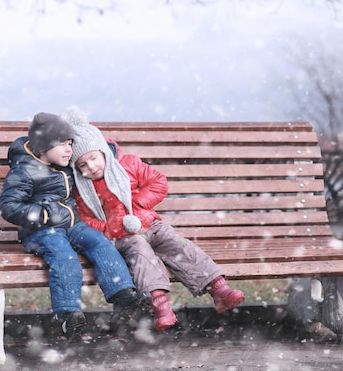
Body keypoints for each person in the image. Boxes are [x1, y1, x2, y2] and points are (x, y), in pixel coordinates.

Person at [61, 106, 245, 331]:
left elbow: (158, 182)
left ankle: (219, 289)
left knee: (178, 244)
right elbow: (84, 217)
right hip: (124, 236)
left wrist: (137, 204)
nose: (90, 167)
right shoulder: (83, 187)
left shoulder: (128, 163)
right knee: (142, 255)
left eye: (93, 158)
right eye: (82, 165)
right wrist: (108, 227)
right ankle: (161, 307)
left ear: (103, 151)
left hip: (150, 223)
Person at [0, 112, 151, 342]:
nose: (69, 150)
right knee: (64, 257)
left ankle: (122, 296)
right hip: (42, 230)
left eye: (70, 144)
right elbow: (9, 206)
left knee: (100, 243)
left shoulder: (65, 164)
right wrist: (43, 214)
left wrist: (102, 148)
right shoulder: (24, 171)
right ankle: (69, 314)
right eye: (63, 144)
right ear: (43, 146)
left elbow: (99, 151)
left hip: (72, 224)